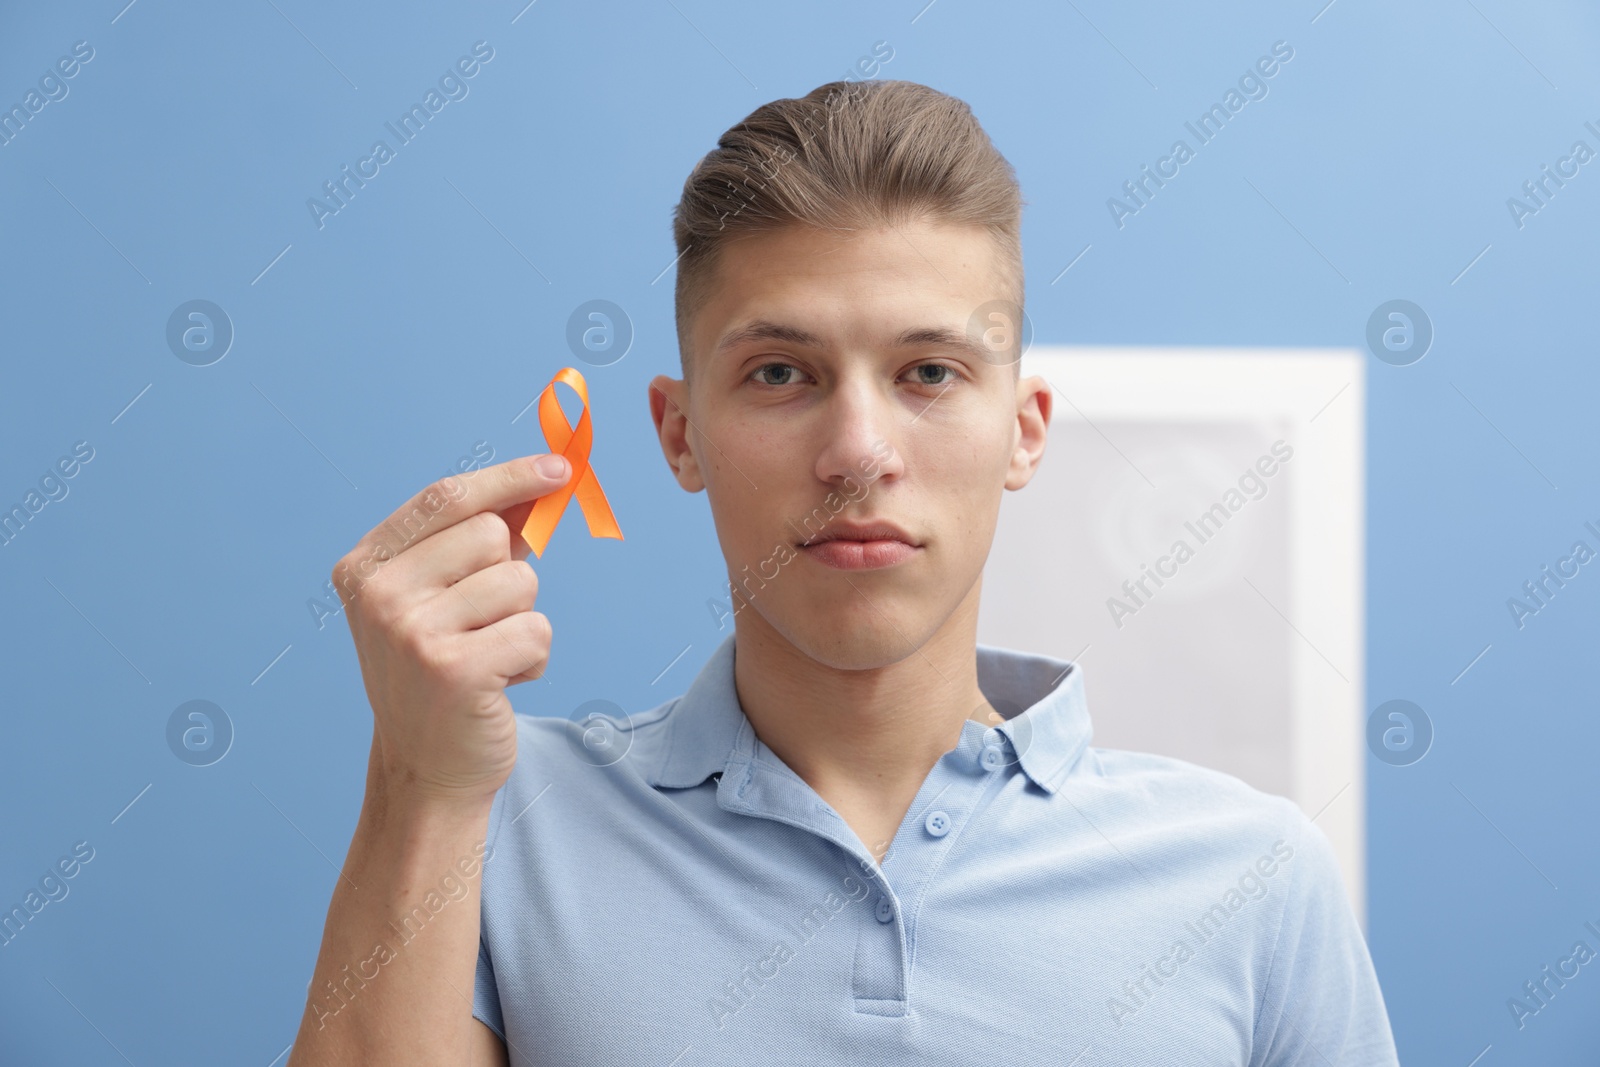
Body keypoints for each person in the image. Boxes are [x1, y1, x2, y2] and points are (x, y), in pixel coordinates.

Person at [287, 78, 1399, 1065]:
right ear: (680, 435)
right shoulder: (495, 818)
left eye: (928, 370)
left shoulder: (1252, 878)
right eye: (780, 371)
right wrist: (421, 782)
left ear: (1023, 430)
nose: (858, 449)